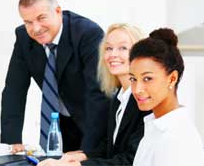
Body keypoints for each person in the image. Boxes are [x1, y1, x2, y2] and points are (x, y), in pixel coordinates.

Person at [1, 0, 109, 153]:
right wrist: (11, 143)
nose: (35, 28)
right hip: (58, 124)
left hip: (93, 122)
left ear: (58, 11)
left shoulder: (88, 34)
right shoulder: (24, 37)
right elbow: (14, 91)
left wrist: (88, 151)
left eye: (41, 18)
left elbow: (98, 94)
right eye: (28, 22)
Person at [38, 24, 151, 166]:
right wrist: (83, 156)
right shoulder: (118, 98)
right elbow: (111, 147)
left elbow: (131, 160)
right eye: (108, 48)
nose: (112, 54)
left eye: (123, 48)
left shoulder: (145, 101)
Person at [129, 28, 204, 165]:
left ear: (172, 79)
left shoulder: (178, 139)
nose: (137, 89)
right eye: (133, 79)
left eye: (147, 79)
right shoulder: (154, 127)